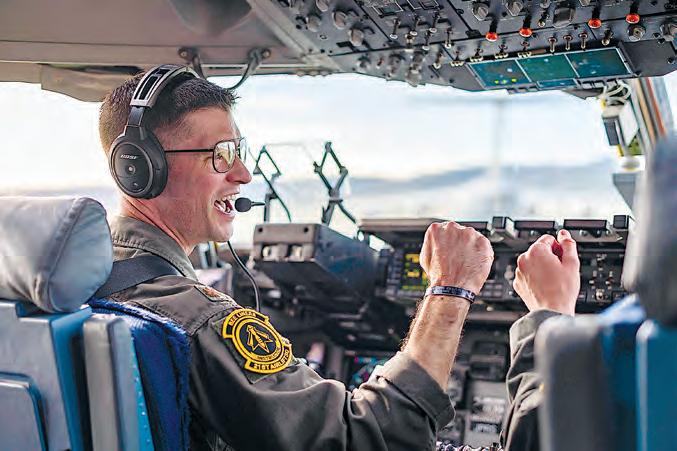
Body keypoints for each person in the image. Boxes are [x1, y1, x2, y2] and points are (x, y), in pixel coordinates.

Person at [97, 68, 580, 451]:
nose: (243, 174)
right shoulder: (196, 320)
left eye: (239, 150)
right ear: (140, 169)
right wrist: (452, 289)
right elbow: (369, 439)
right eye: (220, 154)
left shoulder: (91, 283)